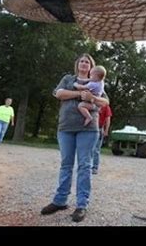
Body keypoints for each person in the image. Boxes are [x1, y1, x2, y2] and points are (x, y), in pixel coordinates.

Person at [41, 54, 109, 222]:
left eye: (88, 62)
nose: (84, 63)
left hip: (88, 129)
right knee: (66, 164)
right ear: (77, 64)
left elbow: (105, 102)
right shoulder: (68, 78)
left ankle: (81, 205)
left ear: (92, 67)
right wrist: (80, 94)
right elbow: (59, 93)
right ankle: (60, 200)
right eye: (82, 61)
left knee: (85, 166)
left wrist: (92, 98)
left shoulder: (97, 82)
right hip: (66, 127)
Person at [92, 104, 112, 175]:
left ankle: (94, 167)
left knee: (96, 149)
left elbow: (108, 119)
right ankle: (87, 167)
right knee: (91, 149)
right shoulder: (92, 103)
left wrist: (106, 130)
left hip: (99, 129)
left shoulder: (105, 106)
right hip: (90, 128)